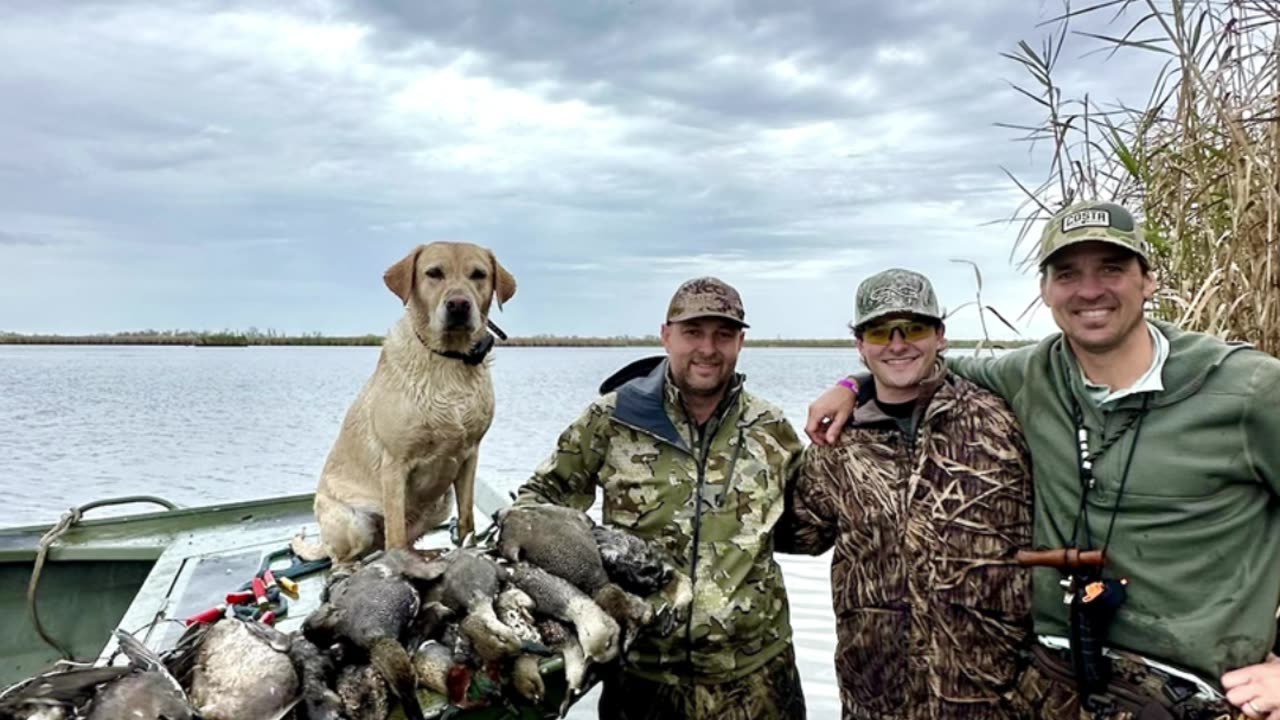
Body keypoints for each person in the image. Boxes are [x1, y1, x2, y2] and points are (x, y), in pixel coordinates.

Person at [804, 201, 1280, 719]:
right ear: (1046, 290)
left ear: (1149, 280)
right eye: (1068, 273)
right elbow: (912, 368)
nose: (1090, 290)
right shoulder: (1031, 374)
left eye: (1113, 269)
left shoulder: (1248, 389)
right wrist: (853, 384)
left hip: (1190, 690)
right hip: (1049, 683)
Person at [512, 276, 806, 720]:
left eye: (723, 334)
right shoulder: (613, 418)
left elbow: (803, 531)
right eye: (693, 332)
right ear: (666, 335)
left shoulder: (771, 428)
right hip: (645, 677)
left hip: (757, 675)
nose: (708, 348)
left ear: (741, 342)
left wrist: (851, 389)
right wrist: (583, 572)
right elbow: (536, 504)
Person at [775, 268, 1033, 719]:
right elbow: (785, 532)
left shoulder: (1002, 422)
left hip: (994, 700)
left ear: (940, 335)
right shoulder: (838, 443)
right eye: (879, 331)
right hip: (875, 702)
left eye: (913, 328)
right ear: (860, 344)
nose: (897, 344)